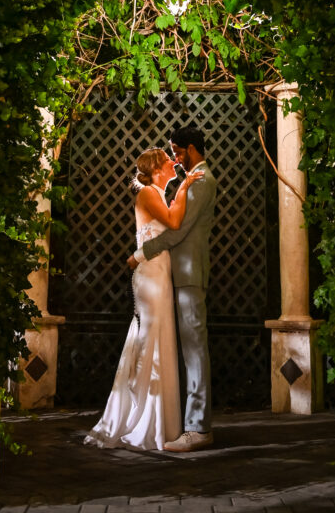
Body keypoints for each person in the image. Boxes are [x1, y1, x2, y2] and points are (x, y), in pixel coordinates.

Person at [84, 148, 205, 450]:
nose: (173, 162)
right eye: (167, 160)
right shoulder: (149, 194)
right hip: (150, 276)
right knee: (152, 338)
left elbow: (173, 224)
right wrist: (185, 186)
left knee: (161, 337)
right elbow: (174, 224)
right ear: (156, 169)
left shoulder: (158, 194)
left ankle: (160, 422)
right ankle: (144, 419)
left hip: (159, 273)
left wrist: (181, 192)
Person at [127, 125, 216, 453]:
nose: (175, 159)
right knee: (186, 350)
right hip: (178, 274)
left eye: (177, 152)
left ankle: (198, 428)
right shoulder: (192, 180)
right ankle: (185, 422)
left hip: (189, 273)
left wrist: (140, 254)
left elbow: (178, 231)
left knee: (195, 350)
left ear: (191, 148)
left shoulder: (202, 181)